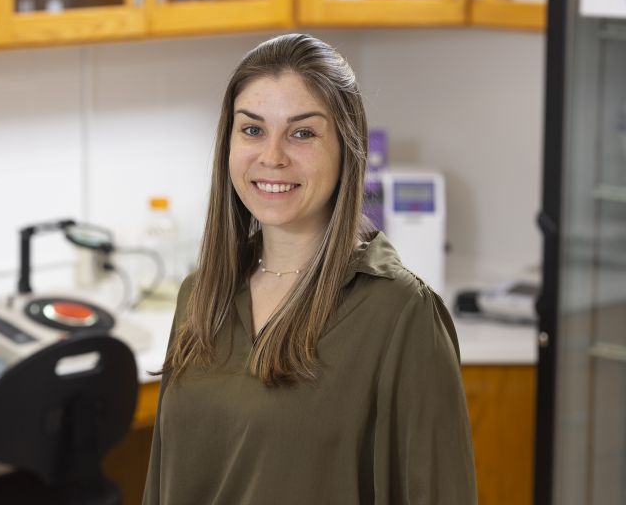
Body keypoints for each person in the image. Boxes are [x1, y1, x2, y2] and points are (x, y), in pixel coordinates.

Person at [142, 33, 477, 504]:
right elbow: (161, 484)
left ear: (347, 148)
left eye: (302, 133)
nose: (272, 156)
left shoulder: (402, 315)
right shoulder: (202, 292)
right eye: (252, 130)